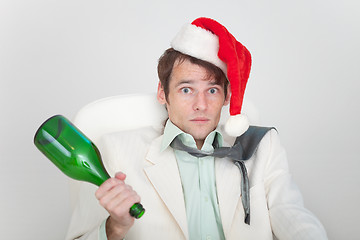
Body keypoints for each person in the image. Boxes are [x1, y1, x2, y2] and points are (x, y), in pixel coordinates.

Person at [65, 17, 327, 240]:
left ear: (226, 96)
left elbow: (291, 213)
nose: (201, 105)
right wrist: (115, 227)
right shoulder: (114, 149)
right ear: (162, 94)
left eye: (212, 90)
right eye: (186, 89)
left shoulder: (261, 145)